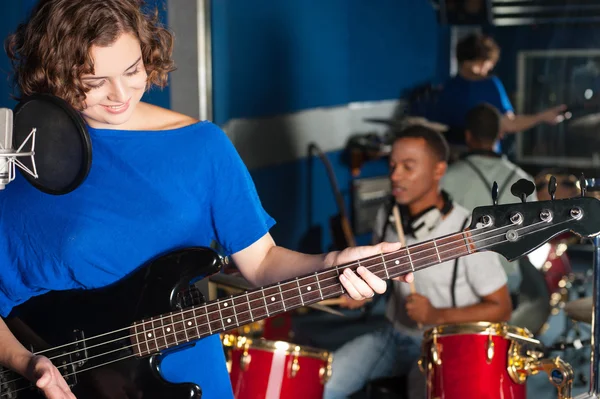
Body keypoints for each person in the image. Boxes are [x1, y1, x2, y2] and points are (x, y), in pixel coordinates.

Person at [0, 1, 412, 398]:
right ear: (54, 74)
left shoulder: (202, 147)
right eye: (94, 81)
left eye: (133, 69)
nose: (120, 94)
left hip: (187, 376)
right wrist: (27, 362)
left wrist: (330, 263)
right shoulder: (22, 162)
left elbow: (263, 262)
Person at [323, 125, 512, 399]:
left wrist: (438, 316)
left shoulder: (467, 232)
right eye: (392, 165)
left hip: (445, 346)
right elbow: (382, 276)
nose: (395, 176)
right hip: (393, 336)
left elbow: (502, 308)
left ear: (438, 171)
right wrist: (362, 293)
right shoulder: (387, 214)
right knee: (326, 383)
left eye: (408, 167)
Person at [441, 103, 538, 295]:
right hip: (508, 278)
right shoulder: (524, 180)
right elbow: (531, 236)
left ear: (468, 136)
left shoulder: (446, 178)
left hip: (459, 280)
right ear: (500, 134)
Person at [433, 32, 566, 149]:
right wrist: (542, 117)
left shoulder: (448, 87)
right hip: (472, 158)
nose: (487, 70)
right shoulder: (487, 85)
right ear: (478, 62)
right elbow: (509, 124)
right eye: (487, 65)